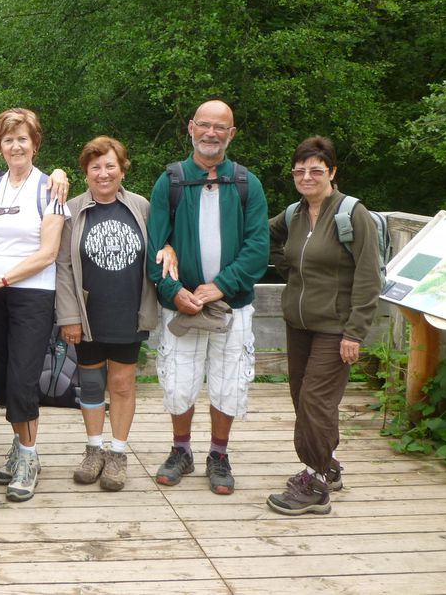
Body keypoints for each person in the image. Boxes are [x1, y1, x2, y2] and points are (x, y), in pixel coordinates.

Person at [146, 99, 268, 495]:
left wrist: (222, 285)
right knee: (179, 382)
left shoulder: (247, 183)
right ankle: (181, 449)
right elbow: (155, 246)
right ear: (191, 128)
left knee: (228, 381)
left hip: (232, 303)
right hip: (181, 304)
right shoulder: (172, 180)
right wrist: (173, 291)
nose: (211, 133)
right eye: (205, 125)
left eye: (220, 127)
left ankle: (219, 454)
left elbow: (258, 247)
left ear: (231, 133)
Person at [266, 136, 382, 515]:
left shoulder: (353, 214)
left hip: (335, 327)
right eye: (300, 171)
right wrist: (289, 270)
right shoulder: (294, 214)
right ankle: (326, 468)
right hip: (298, 324)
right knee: (304, 397)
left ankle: (315, 481)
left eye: (316, 170)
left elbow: (368, 276)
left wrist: (355, 331)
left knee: (316, 400)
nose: (306, 177)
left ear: (332, 172)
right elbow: (263, 238)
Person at [56, 136, 175, 492]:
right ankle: (94, 449)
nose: (103, 173)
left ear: (123, 169)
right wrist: (68, 316)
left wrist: (169, 247)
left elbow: (162, 242)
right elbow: (62, 266)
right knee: (90, 384)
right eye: (95, 167)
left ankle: (118, 453)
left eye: (110, 166)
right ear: (86, 172)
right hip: (88, 314)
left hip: (129, 310)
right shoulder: (72, 210)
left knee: (122, 384)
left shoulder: (141, 207)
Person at [0, 108, 69, 503]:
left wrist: (3, 279)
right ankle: (18, 446)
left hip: (32, 294)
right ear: (0, 146)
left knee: (25, 379)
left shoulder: (50, 189)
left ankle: (29, 457)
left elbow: (47, 253)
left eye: (22, 138)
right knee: (5, 379)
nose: (15, 146)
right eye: (8, 139)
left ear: (35, 143)